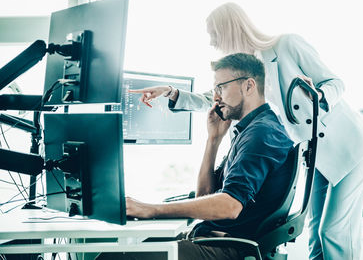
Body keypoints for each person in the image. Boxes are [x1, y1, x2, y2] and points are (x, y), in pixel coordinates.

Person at [131, 3, 363, 260]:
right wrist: (171, 92)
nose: (213, 43)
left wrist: (319, 96)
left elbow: (336, 82)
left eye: (214, 35)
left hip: (348, 147)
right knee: (316, 236)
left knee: (333, 233)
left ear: (229, 28)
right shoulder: (248, 73)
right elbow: (213, 98)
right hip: (318, 157)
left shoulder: (286, 46)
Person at [96, 53, 294, 260]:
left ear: (249, 86)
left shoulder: (261, 134)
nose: (216, 97)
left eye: (221, 87)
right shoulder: (252, 129)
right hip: (215, 240)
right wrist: (213, 140)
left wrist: (149, 209)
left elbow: (230, 206)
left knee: (117, 257)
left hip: (229, 248)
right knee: (120, 252)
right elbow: (205, 196)